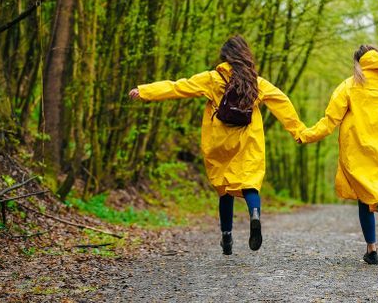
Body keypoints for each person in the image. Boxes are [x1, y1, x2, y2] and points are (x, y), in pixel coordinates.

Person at [129, 35, 304, 255]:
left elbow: (177, 87)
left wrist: (144, 91)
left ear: (225, 57)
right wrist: (298, 131)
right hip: (247, 140)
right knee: (250, 183)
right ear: (245, 56)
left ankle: (227, 237)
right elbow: (282, 102)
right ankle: (255, 213)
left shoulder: (212, 78)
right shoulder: (257, 82)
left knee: (224, 190)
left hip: (220, 141)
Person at [297, 45, 378, 265]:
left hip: (357, 149)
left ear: (358, 63)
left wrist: (306, 135)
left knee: (364, 198)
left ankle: (372, 249)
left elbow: (330, 121)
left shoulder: (349, 86)